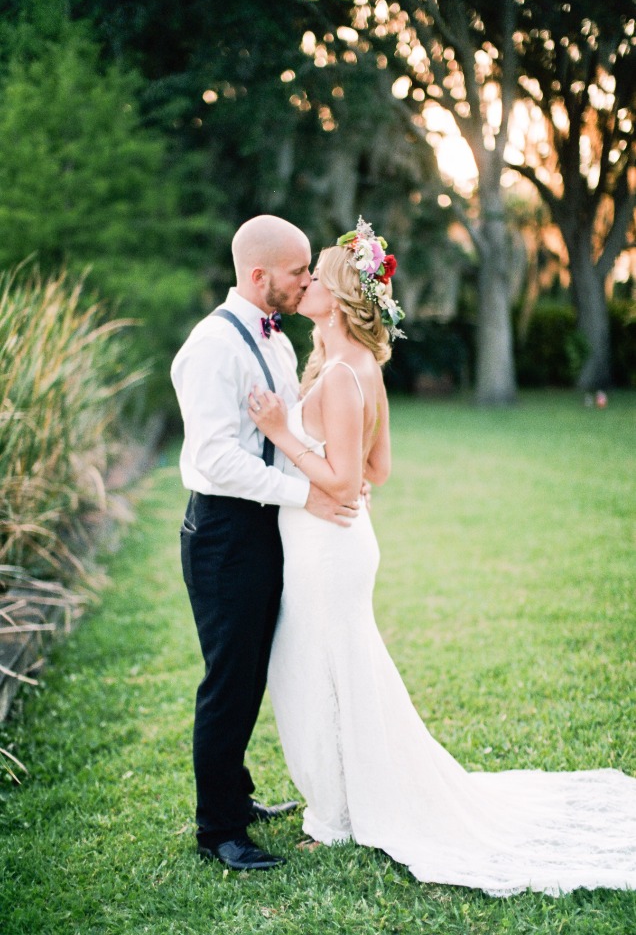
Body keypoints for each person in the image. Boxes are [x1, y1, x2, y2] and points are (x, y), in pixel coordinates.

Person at [248, 216, 636, 896]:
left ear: (338, 297)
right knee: (335, 670)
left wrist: (283, 432)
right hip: (338, 542)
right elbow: (381, 469)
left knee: (317, 673)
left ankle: (337, 815)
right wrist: (337, 466)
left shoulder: (342, 374)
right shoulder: (358, 366)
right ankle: (345, 802)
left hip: (328, 546)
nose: (305, 283)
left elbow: (343, 480)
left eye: (317, 278)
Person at [170, 214, 358, 872]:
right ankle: (219, 828)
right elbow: (216, 459)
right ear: (259, 276)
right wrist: (307, 494)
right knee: (228, 679)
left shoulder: (273, 339)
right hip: (224, 533)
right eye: (299, 270)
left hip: (267, 530)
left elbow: (280, 435)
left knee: (252, 672)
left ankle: (237, 795)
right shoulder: (212, 348)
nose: (309, 280)